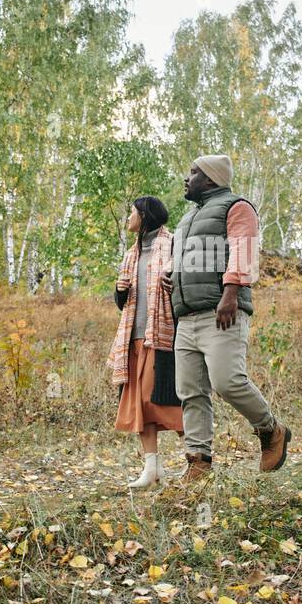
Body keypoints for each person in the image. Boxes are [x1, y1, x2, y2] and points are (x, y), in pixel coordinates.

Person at [160, 154, 291, 483]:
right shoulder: (187, 218)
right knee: (190, 391)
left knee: (227, 381)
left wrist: (231, 293)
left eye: (193, 173)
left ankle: (271, 430)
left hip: (221, 312)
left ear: (211, 179)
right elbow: (184, 258)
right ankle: (198, 462)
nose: (186, 178)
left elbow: (244, 250)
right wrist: (170, 275)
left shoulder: (236, 206)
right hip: (186, 318)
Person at [107, 196, 183, 488]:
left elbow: (183, 284)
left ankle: (199, 457)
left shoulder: (174, 244)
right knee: (138, 403)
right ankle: (152, 469)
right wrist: (119, 289)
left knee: (165, 400)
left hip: (162, 336)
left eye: (132, 212)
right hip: (132, 338)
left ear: (145, 215)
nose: (128, 217)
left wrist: (174, 282)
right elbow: (122, 302)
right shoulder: (131, 253)